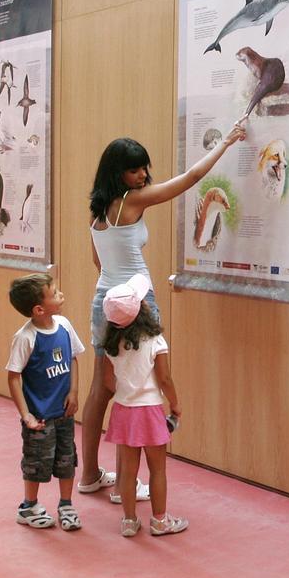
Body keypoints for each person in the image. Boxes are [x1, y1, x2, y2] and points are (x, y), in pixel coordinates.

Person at [78, 122, 246, 502]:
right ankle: (124, 485)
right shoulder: (132, 202)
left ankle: (88, 474)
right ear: (116, 171)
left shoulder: (98, 211)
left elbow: (98, 261)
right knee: (134, 388)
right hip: (135, 303)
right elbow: (192, 177)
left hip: (105, 299)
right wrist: (228, 141)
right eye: (134, 169)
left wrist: (116, 293)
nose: (142, 176)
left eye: (143, 169)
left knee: (101, 388)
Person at [100, 273, 186, 537]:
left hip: (124, 411)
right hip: (149, 411)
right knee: (157, 469)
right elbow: (165, 378)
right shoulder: (154, 341)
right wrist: (175, 404)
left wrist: (127, 391)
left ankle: (128, 520)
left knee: (128, 470)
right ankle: (160, 521)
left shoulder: (111, 345)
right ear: (141, 310)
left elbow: (108, 382)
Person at [6, 273, 86, 531]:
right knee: (36, 461)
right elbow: (14, 377)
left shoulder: (64, 324)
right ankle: (29, 506)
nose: (61, 295)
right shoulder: (25, 337)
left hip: (64, 412)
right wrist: (26, 415)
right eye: (55, 293)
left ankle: (66, 504)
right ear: (39, 309)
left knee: (67, 457)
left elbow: (73, 357)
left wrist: (74, 391)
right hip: (39, 417)